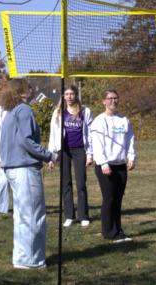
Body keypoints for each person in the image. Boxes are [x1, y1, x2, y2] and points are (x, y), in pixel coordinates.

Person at [0, 78, 57, 269]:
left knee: (22, 216)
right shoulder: (24, 110)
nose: (34, 89)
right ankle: (31, 261)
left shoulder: (10, 112)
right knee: (33, 215)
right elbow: (26, 141)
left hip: (12, 169)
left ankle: (21, 258)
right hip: (24, 169)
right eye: (30, 87)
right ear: (22, 93)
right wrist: (49, 155)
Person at [90, 89, 136, 242]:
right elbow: (97, 145)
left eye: (115, 98)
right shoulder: (99, 121)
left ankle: (119, 232)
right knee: (109, 199)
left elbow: (129, 140)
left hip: (120, 164)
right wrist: (103, 163)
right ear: (103, 101)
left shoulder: (124, 120)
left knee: (118, 199)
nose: (113, 101)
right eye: (109, 98)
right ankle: (109, 233)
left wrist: (131, 156)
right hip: (105, 165)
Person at [48, 84, 93, 227]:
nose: (69, 97)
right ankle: (69, 216)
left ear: (76, 95)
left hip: (80, 149)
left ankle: (83, 216)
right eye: (66, 94)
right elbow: (53, 134)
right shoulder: (58, 112)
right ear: (63, 96)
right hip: (64, 150)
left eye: (71, 94)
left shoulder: (85, 111)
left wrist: (90, 154)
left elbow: (90, 134)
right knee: (65, 183)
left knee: (81, 183)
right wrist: (51, 155)